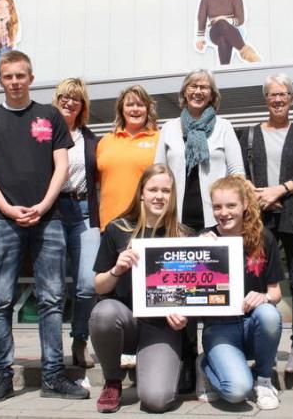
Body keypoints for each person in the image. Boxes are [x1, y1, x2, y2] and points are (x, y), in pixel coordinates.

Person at [0, 51, 89, 402]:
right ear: (0, 79)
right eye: (8, 76)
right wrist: (6, 207)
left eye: (21, 75)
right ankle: (1, 377)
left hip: (48, 218)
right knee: (2, 300)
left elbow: (62, 166)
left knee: (52, 299)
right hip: (3, 221)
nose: (15, 82)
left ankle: (53, 376)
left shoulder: (49, 115)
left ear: (31, 78)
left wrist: (44, 204)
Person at [155, 68, 245, 391]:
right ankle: (188, 360)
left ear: (212, 94)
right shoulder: (168, 128)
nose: (198, 91)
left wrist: (232, 218)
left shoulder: (223, 128)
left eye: (204, 87)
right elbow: (159, 176)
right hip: (178, 224)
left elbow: (236, 175)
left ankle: (213, 358)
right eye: (193, 86)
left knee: (211, 294)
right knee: (182, 295)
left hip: (214, 224)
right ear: (184, 92)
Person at [89, 163, 191, 413]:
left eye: (166, 191)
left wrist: (184, 314)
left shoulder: (185, 236)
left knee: (157, 400)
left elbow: (194, 292)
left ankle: (149, 364)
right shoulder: (118, 229)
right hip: (127, 321)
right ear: (142, 193)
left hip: (161, 327)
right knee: (104, 313)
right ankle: (113, 380)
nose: (159, 196)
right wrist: (116, 269)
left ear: (173, 195)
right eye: (153, 189)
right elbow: (99, 286)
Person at [239, 73, 293, 373]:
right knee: (258, 281)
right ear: (266, 99)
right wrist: (260, 196)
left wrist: (280, 190)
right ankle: (264, 344)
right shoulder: (248, 133)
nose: (277, 99)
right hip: (260, 215)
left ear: (292, 98)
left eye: (283, 93)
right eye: (272, 94)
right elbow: (241, 172)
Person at [196, 175, 283, 410]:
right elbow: (190, 292)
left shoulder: (264, 238)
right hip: (219, 327)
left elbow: (275, 293)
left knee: (269, 314)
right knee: (236, 391)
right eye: (217, 207)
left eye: (231, 205)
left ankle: (263, 379)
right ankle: (206, 364)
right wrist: (199, 251)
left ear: (245, 204)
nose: (224, 213)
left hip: (251, 325)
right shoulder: (205, 238)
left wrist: (263, 297)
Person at [52, 77, 100, 368]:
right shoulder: (43, 135)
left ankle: (79, 339)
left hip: (85, 210)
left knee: (86, 284)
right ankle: (51, 348)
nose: (69, 102)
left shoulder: (90, 138)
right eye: (64, 97)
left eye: (76, 98)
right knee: (54, 288)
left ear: (83, 105)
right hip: (54, 211)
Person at [97, 85, 160, 232]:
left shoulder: (159, 138)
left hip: (146, 224)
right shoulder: (105, 141)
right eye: (130, 104)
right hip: (109, 225)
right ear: (121, 109)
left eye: (140, 105)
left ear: (148, 109)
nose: (135, 109)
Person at [195, 0, 260, 65]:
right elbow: (201, 17)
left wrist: (224, 19)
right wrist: (200, 38)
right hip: (214, 30)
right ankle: (248, 54)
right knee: (220, 25)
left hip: (235, 30)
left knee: (223, 38)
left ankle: (224, 68)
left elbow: (241, 19)